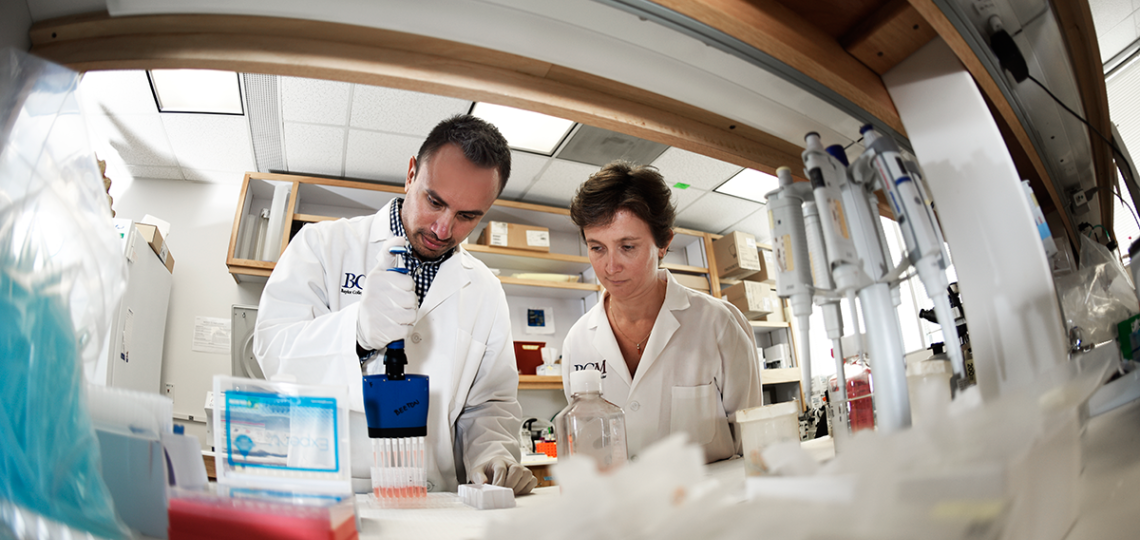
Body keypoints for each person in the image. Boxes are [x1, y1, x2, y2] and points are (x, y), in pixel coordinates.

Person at [254, 114, 536, 495]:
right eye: (434, 201)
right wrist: (355, 332)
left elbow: (490, 402)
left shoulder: (485, 289)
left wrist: (492, 454)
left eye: (467, 216)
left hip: (435, 500)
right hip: (334, 496)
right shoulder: (322, 246)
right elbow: (273, 355)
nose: (442, 228)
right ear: (410, 175)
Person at [561, 162, 763, 463]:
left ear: (664, 243)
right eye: (597, 248)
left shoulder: (719, 323)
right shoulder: (577, 341)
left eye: (627, 246)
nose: (610, 266)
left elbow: (753, 444)